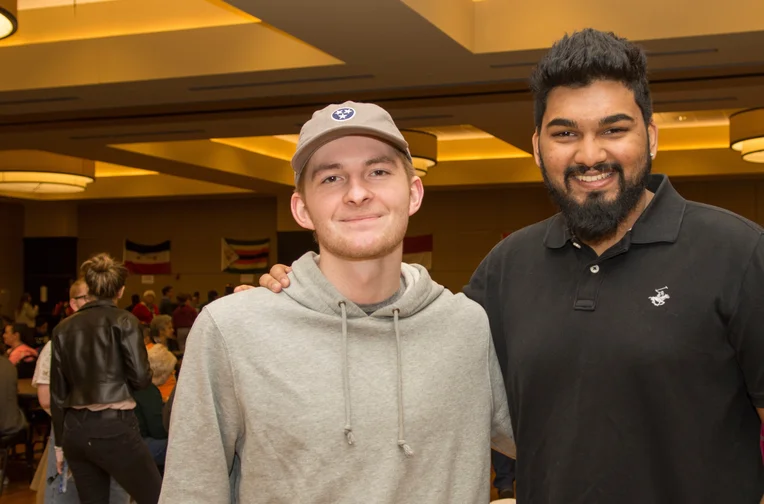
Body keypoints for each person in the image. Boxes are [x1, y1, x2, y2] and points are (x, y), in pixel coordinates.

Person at [260, 30, 764, 503]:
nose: (590, 154)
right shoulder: (507, 268)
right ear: (537, 147)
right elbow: (408, 357)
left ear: (651, 137)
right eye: (565, 133)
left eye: (614, 129)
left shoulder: (739, 254)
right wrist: (297, 305)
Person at [159, 101, 515, 504]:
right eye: (331, 178)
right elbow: (191, 492)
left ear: (414, 193)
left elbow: (561, 446)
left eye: (378, 172)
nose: (357, 193)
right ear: (301, 208)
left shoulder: (467, 327)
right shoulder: (232, 330)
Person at [51, 253, 162, 504]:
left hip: (74, 432)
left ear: (89, 289)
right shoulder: (125, 321)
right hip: (114, 427)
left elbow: (58, 394)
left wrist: (59, 445)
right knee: (158, 498)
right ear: (120, 290)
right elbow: (141, 380)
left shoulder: (62, 329)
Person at [32, 278, 129, 504]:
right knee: (71, 495)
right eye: (88, 299)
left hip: (106, 430)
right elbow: (46, 399)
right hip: (75, 431)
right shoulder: (60, 342)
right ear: (73, 305)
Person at [132, 345, 176, 467]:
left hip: (128, 441)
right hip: (140, 445)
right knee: (180, 447)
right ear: (163, 373)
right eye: (171, 371)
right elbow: (158, 430)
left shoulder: (136, 384)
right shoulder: (149, 391)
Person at [147, 316, 176, 402]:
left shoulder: (170, 344)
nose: (173, 330)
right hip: (162, 395)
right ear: (161, 331)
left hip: (170, 391)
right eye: (169, 328)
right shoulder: (152, 351)